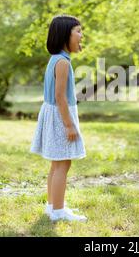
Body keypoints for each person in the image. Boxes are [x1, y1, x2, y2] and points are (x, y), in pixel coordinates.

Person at [30, 15, 87, 222]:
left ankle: (52, 206)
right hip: (60, 116)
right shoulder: (62, 62)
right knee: (63, 164)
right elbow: (60, 97)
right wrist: (69, 125)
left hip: (53, 113)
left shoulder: (57, 59)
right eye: (78, 31)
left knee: (57, 164)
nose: (81, 36)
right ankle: (58, 211)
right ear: (65, 35)